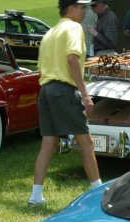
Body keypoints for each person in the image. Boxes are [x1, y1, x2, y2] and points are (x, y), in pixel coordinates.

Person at [29, 0, 102, 208]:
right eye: (83, 7)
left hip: (46, 90)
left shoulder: (50, 32)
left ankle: (36, 196)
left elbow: (42, 69)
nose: (85, 11)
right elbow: (72, 59)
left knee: (49, 143)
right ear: (71, 8)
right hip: (63, 89)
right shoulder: (74, 28)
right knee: (86, 142)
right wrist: (85, 94)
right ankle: (98, 193)